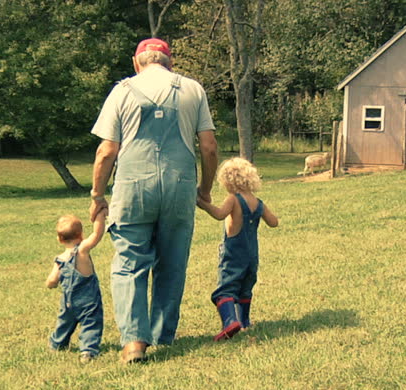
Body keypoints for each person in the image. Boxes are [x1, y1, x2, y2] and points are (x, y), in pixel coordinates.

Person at [89, 38, 218, 363]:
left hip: (133, 188)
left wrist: (97, 195)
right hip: (179, 186)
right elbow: (209, 146)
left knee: (129, 264)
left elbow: (107, 151)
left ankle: (133, 342)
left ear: (137, 62)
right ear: (169, 62)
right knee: (172, 263)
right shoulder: (193, 90)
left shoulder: (122, 91)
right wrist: (204, 190)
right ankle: (163, 335)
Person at [196, 157, 279, 341]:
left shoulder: (234, 199)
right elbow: (274, 222)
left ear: (228, 181)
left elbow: (219, 214)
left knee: (226, 290)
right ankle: (244, 322)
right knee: (245, 288)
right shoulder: (258, 202)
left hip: (233, 254)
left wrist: (202, 204)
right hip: (251, 255)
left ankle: (230, 321)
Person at [45, 213, 106, 364]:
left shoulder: (60, 260)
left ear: (59, 239)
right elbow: (97, 234)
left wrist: (51, 284)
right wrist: (100, 216)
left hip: (68, 302)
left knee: (64, 323)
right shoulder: (82, 250)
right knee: (91, 324)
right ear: (81, 235)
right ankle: (88, 351)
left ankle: (57, 344)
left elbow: (52, 280)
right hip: (88, 301)